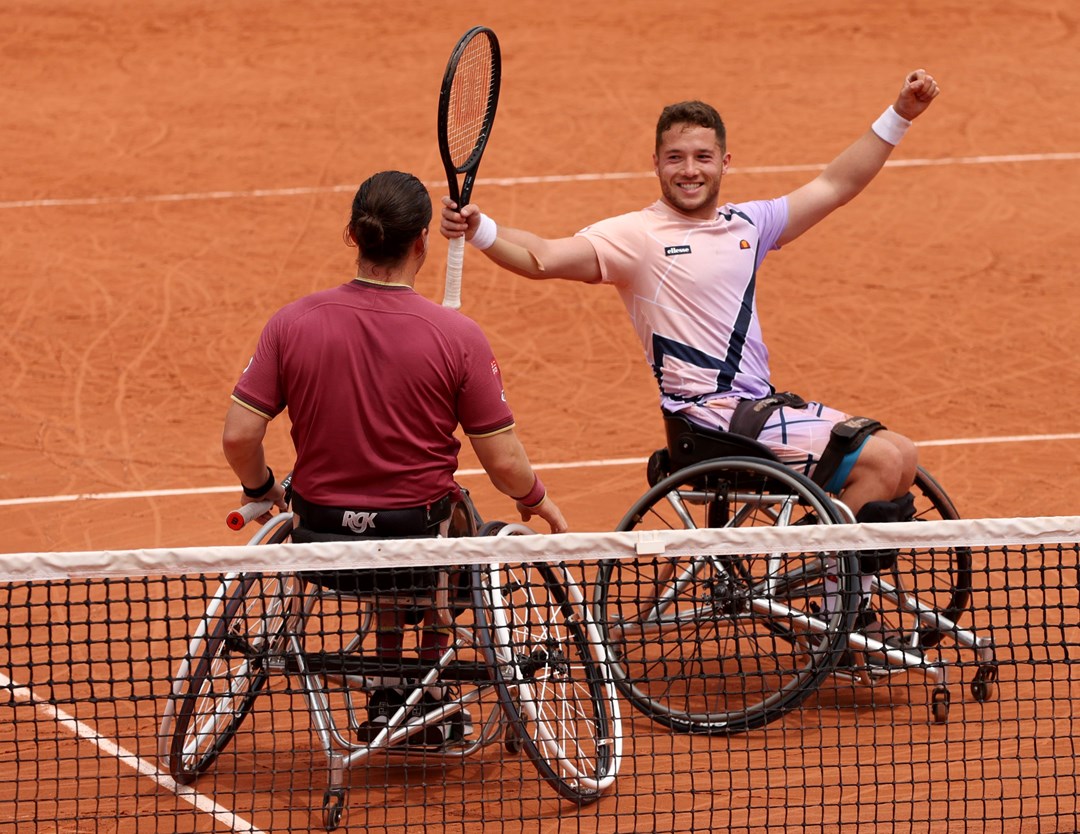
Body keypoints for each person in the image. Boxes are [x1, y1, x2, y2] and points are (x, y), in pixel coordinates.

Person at [440, 70, 941, 532]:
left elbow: (835, 185)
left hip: (757, 408)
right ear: (656, 162)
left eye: (702, 157)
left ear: (725, 162)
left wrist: (899, 115)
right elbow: (544, 257)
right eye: (675, 157)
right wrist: (481, 229)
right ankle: (831, 585)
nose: (689, 171)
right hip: (707, 419)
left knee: (903, 453)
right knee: (881, 461)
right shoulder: (636, 236)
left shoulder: (750, 224)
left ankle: (831, 566)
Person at [222, 169, 567, 745]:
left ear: (353, 235)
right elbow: (505, 463)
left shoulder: (292, 323)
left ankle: (388, 681)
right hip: (416, 536)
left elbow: (239, 437)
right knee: (456, 522)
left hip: (319, 540)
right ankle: (426, 687)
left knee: (403, 534)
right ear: (422, 243)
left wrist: (260, 490)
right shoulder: (458, 336)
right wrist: (537, 501)